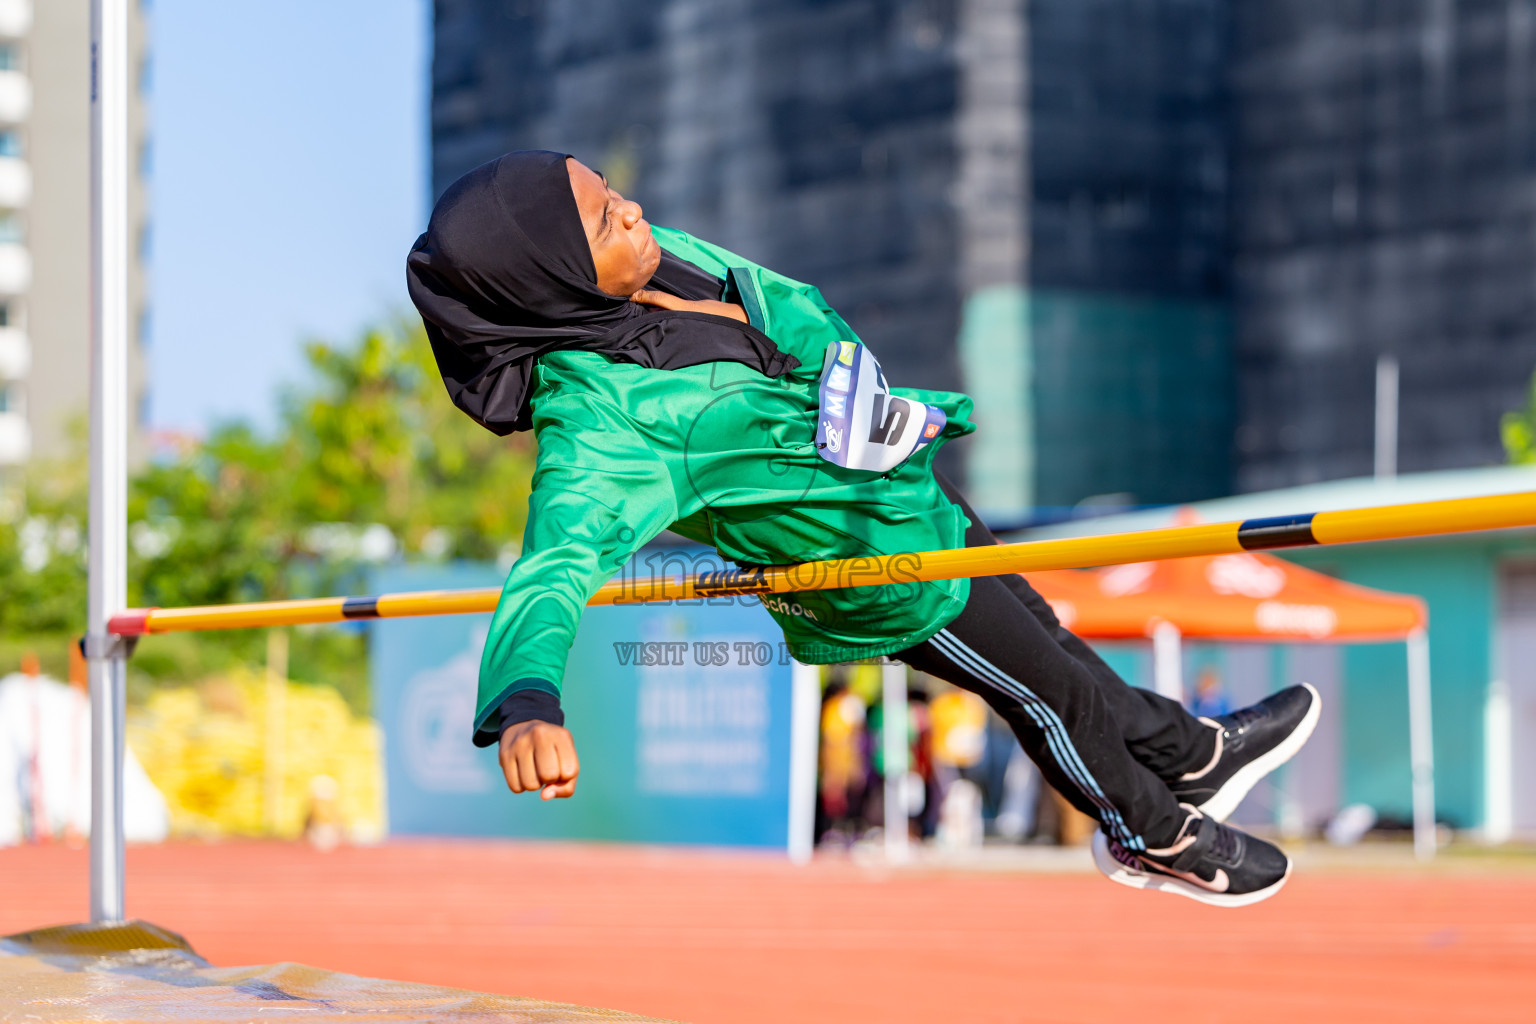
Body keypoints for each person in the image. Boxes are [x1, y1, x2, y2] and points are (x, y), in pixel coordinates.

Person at [406, 151, 1322, 907]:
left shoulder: (653, 268)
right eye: (609, 221)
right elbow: (556, 561)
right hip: (874, 570)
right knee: (1047, 692)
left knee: (1052, 642)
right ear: (551, 281)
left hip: (902, 491)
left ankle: (1187, 754)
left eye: (614, 192)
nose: (637, 212)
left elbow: (779, 308)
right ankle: (1154, 834)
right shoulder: (604, 428)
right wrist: (527, 699)